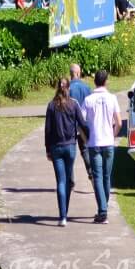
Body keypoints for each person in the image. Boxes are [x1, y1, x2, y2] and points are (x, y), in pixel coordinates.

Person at [45, 77, 87, 227]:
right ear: (68, 88)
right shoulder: (73, 104)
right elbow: (82, 123)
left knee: (61, 182)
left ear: (57, 88)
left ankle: (62, 216)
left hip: (56, 148)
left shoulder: (51, 106)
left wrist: (47, 149)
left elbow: (47, 130)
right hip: (70, 147)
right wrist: (89, 138)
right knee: (68, 181)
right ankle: (65, 212)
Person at [83, 70, 121, 224]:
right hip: (108, 142)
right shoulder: (112, 98)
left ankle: (102, 210)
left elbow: (81, 121)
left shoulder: (88, 100)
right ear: (106, 81)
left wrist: (86, 138)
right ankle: (104, 208)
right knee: (106, 176)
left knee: (97, 176)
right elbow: (118, 122)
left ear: (95, 82)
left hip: (94, 142)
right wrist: (113, 135)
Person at [67, 64, 92, 182]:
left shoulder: (67, 89)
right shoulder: (86, 88)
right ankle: (91, 172)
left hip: (70, 125)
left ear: (71, 74)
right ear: (78, 73)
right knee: (85, 150)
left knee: (70, 152)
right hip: (83, 124)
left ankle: (70, 179)